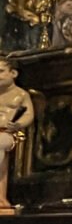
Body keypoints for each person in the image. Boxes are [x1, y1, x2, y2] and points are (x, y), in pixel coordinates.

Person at [0, 57, 34, 214]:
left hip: (6, 133)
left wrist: (18, 124)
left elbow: (29, 115)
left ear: (13, 73)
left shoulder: (20, 94)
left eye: (1, 71)